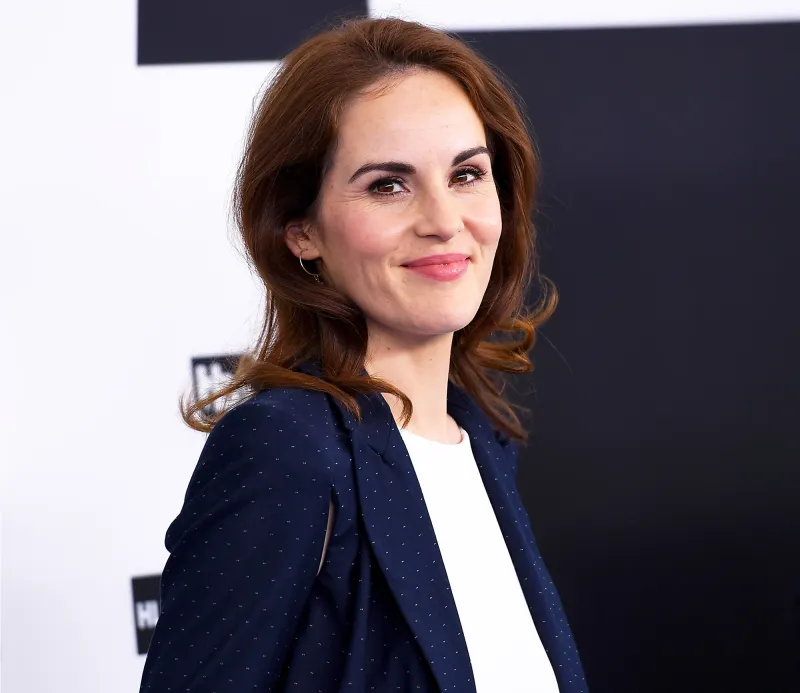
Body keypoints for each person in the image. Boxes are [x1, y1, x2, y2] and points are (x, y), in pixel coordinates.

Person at [139, 16, 588, 693]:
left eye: (467, 173)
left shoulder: (481, 442)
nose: (444, 219)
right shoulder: (285, 450)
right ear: (301, 230)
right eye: (388, 184)